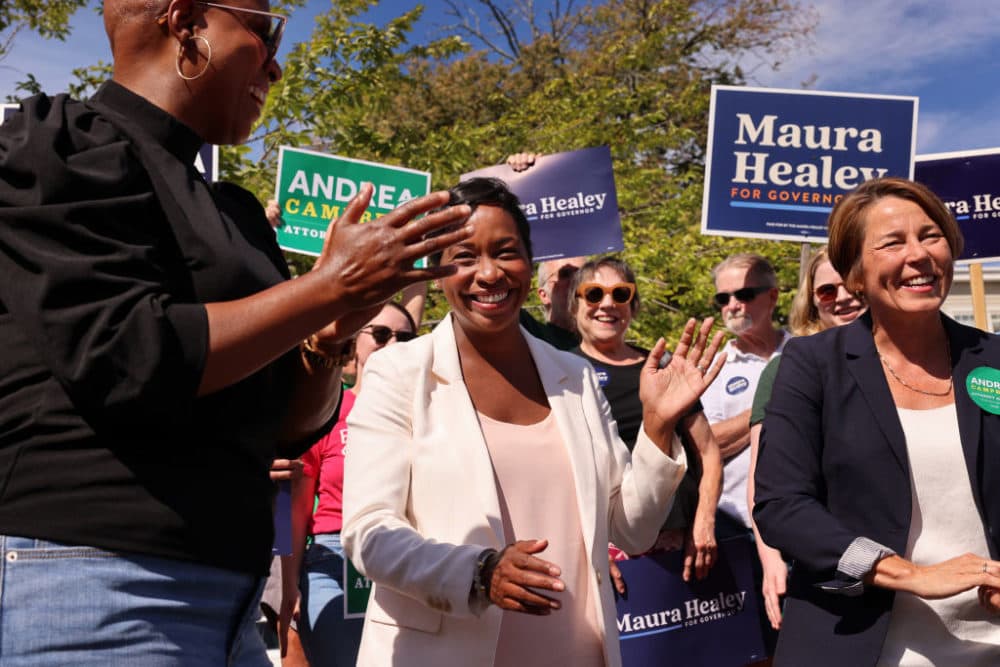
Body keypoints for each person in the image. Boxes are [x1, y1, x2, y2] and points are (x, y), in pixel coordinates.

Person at [0, 0, 473, 664]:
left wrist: (329, 332)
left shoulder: (238, 216)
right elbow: (128, 353)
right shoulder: (61, 142)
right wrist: (324, 287)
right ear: (185, 20)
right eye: (266, 29)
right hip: (98, 585)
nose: (276, 67)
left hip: (232, 606)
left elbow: (286, 424)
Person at [341, 177, 726, 667]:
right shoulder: (398, 374)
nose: (487, 273)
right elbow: (369, 532)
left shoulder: (576, 376)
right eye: (464, 257)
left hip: (576, 652)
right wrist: (478, 574)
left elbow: (632, 532)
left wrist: (656, 427)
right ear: (438, 271)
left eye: (505, 252)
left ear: (528, 261)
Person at [754, 177, 1000, 665]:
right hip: (860, 646)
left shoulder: (991, 359)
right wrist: (906, 572)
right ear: (854, 275)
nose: (919, 255)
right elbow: (781, 506)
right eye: (892, 242)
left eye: (931, 236)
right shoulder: (811, 364)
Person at [570, 255, 722, 584]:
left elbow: (708, 454)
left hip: (680, 545)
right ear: (575, 305)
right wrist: (587, 549)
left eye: (620, 294)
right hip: (603, 550)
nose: (607, 304)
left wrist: (704, 522)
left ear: (634, 305)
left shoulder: (664, 369)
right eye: (594, 294)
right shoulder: (559, 373)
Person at [285, 302, 417, 667]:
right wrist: (288, 585)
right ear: (353, 342)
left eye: (404, 337)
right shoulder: (328, 409)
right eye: (379, 334)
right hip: (336, 564)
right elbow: (296, 505)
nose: (392, 344)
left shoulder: (429, 415)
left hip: (410, 561)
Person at [744, 247, 865, 630]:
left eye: (851, 285)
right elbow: (761, 478)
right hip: (828, 559)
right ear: (813, 303)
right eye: (827, 291)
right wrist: (771, 560)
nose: (842, 297)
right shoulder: (787, 368)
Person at [701, 253, 789, 532]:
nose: (733, 306)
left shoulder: (806, 352)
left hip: (802, 518)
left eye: (744, 294)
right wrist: (768, 406)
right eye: (723, 299)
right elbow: (707, 445)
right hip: (736, 522)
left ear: (773, 297)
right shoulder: (714, 367)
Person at [506, 152, 586, 350]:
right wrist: (524, 175)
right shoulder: (528, 334)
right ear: (543, 294)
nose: (578, 281)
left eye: (584, 274)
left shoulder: (608, 345)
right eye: (565, 274)